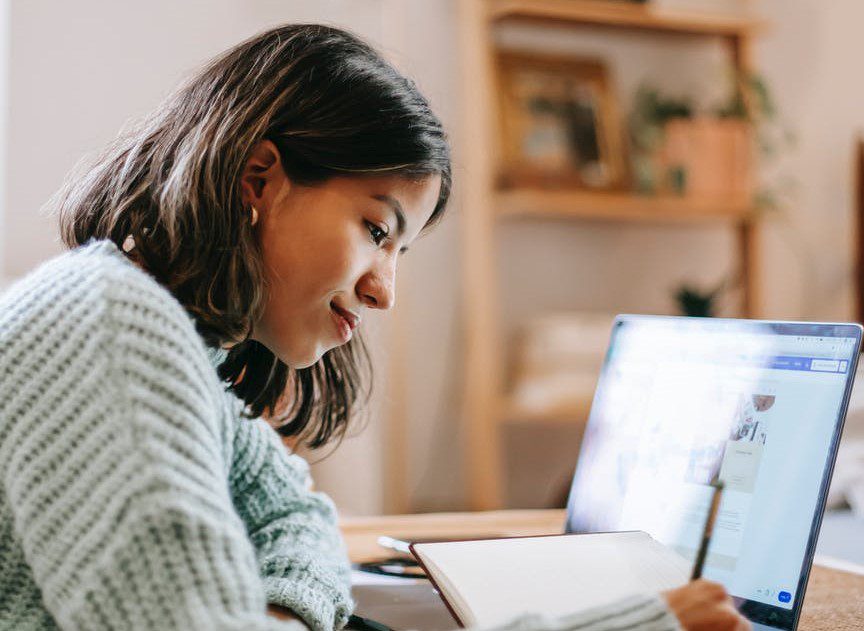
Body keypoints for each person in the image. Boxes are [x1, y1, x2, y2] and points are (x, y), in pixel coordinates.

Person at [0, 23, 749, 631]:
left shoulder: (168, 343)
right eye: (375, 228)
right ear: (258, 178)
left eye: (401, 249)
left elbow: (298, 519)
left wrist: (281, 611)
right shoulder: (109, 328)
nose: (383, 289)